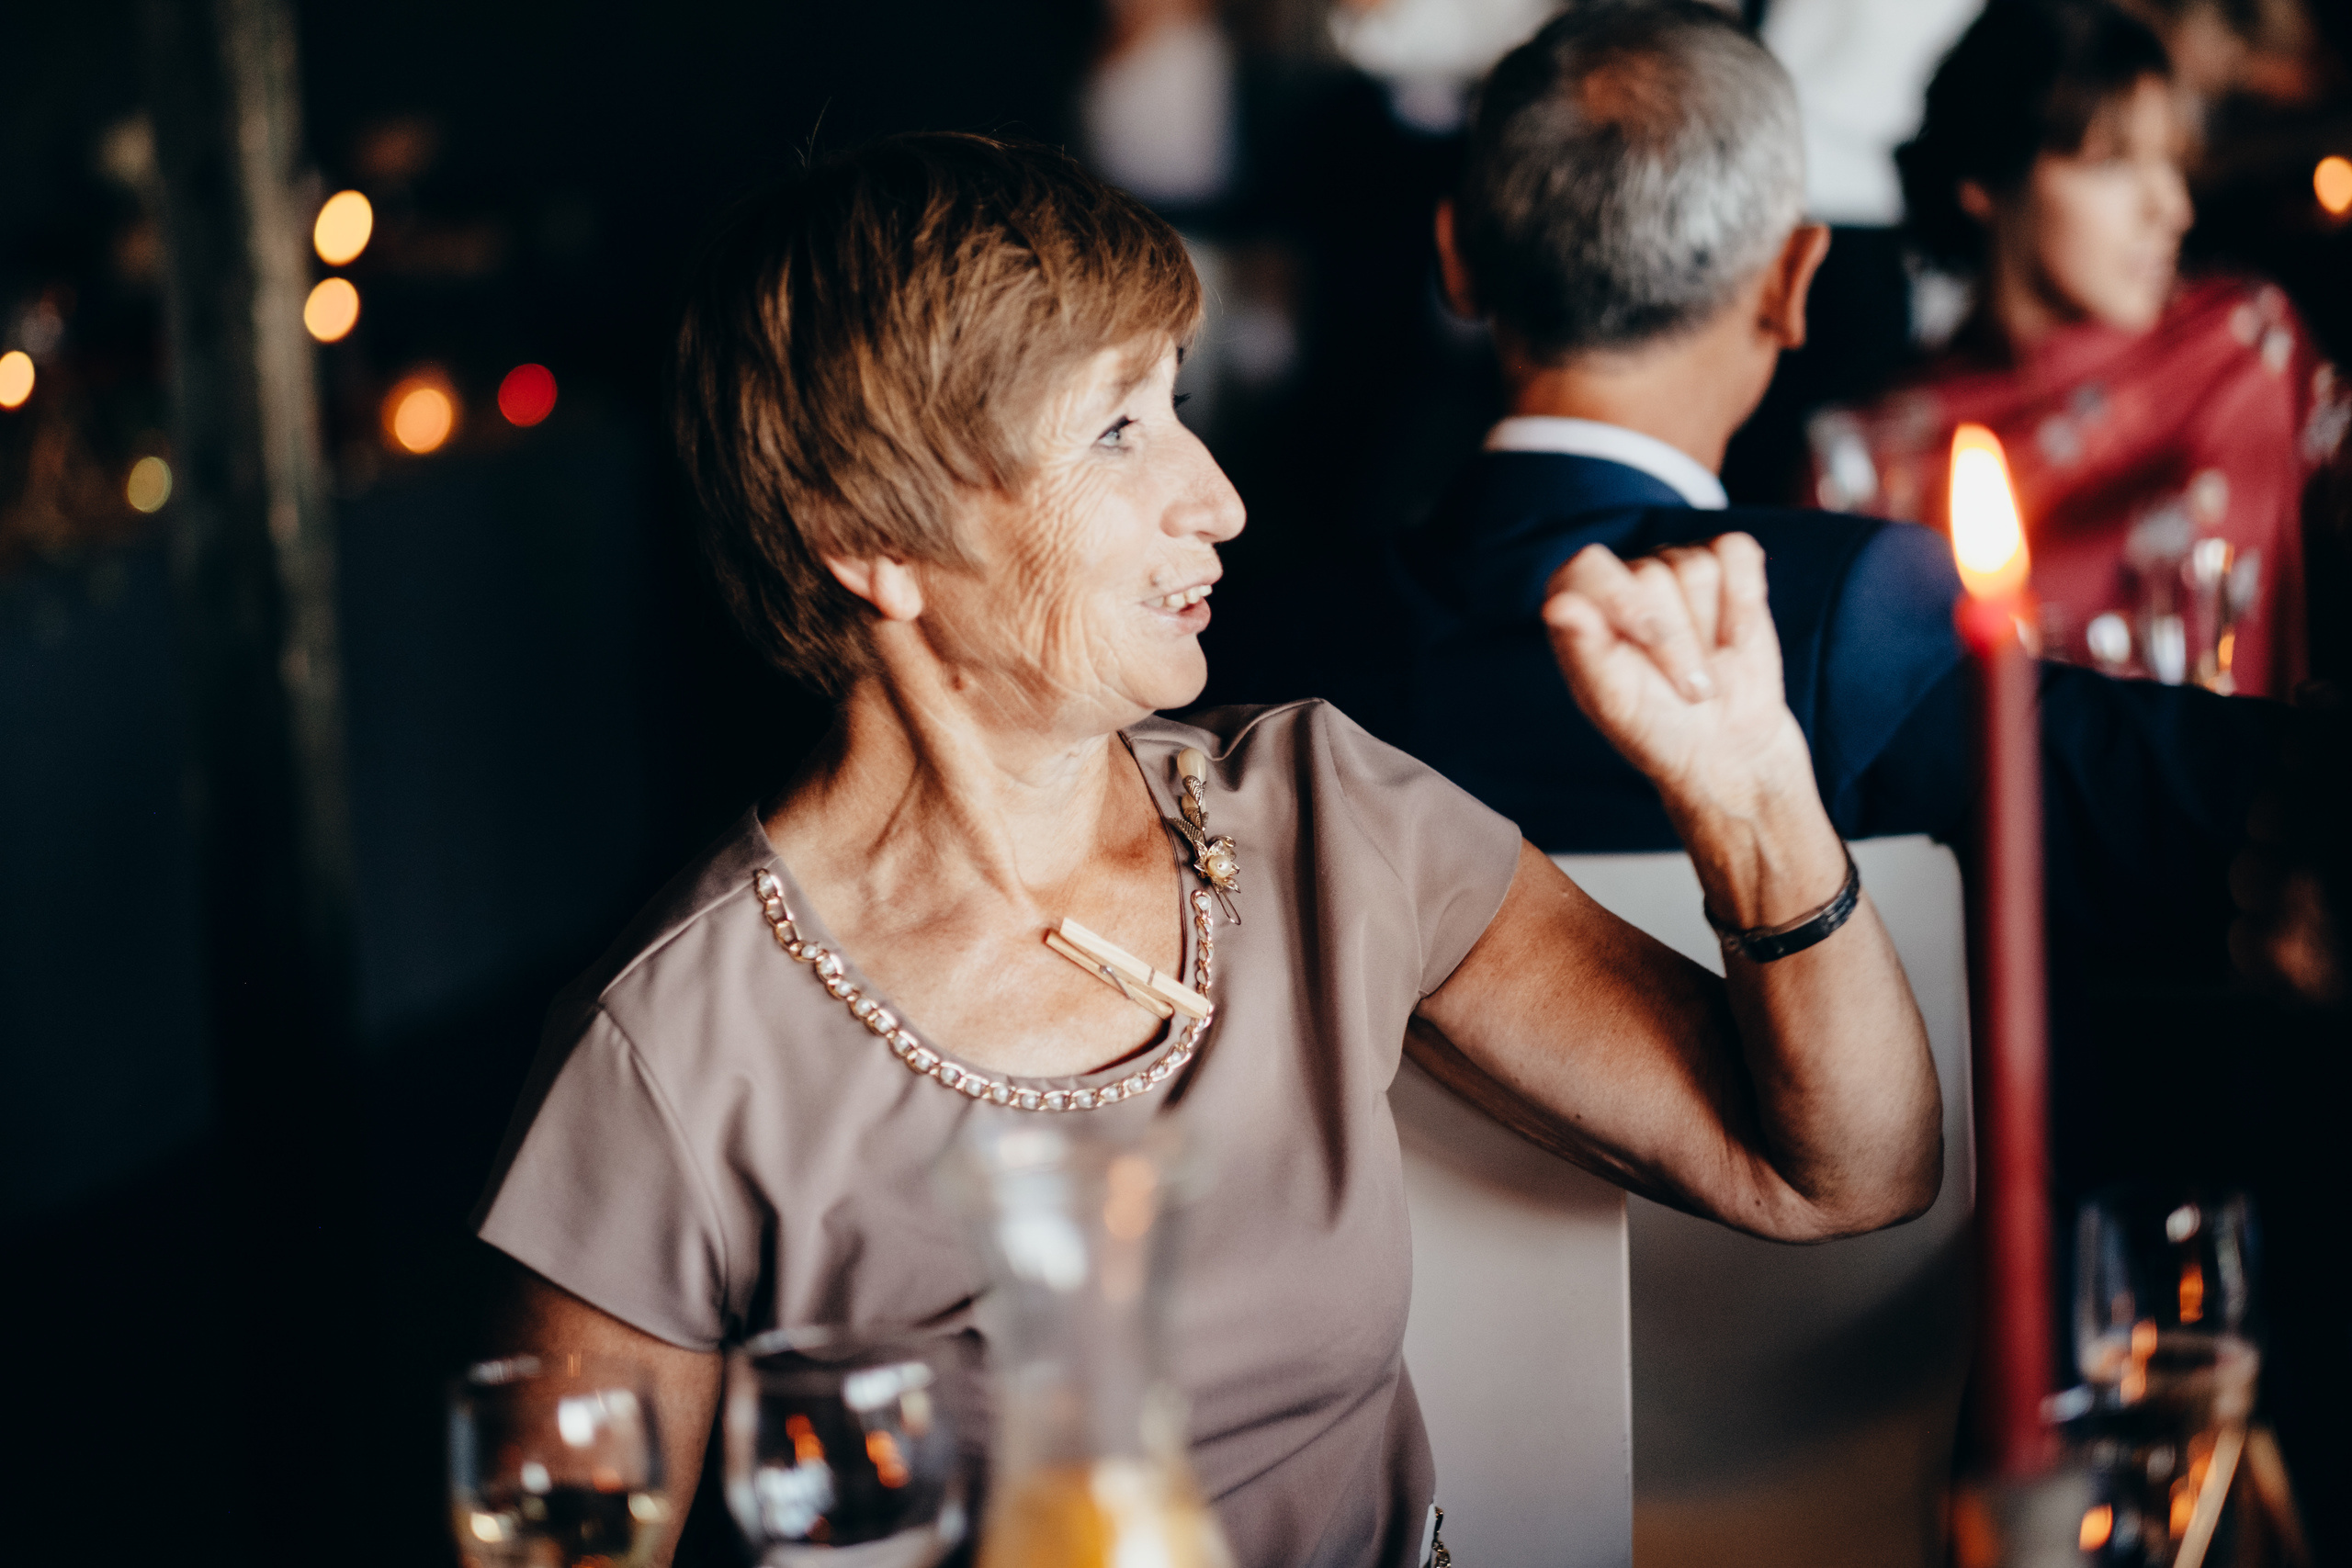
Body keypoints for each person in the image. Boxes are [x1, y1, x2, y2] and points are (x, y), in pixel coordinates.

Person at [470, 134, 1941, 1568]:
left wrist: (1756, 802)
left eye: (1179, 402)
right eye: (1119, 428)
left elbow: (1836, 1171)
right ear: (871, 535)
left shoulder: (1320, 813)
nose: (1220, 499)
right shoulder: (679, 1047)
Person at [1204, 0, 2296, 984]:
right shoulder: (1850, 613)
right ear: (1791, 280)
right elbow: (2230, 807)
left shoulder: (1250, 652)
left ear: (1456, 261)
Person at [1807, 0, 2347, 696]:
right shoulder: (1870, 458)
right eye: (2116, 166)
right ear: (1986, 181)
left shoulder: (2242, 344)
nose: (2171, 208)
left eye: (2173, 165)